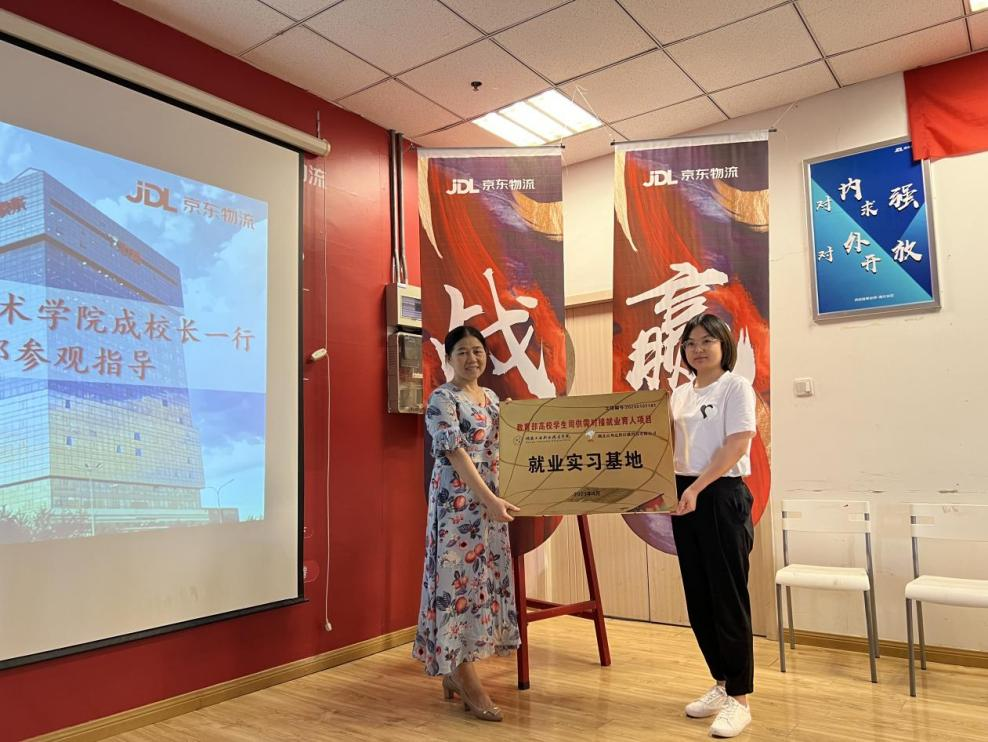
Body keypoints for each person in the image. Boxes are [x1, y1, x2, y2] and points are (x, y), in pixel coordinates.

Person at [412, 325, 521, 722]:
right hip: (458, 504)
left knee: (481, 581)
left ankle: (457, 672)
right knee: (455, 582)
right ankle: (463, 675)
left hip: (490, 501)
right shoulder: (442, 398)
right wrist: (489, 499)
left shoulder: (490, 397)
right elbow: (456, 453)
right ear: (449, 358)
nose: (471, 358)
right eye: (462, 352)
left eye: (477, 351)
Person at [669, 313, 758, 739]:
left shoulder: (735, 387)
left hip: (720, 494)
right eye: (691, 342)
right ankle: (721, 684)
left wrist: (697, 488)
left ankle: (740, 699)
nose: (699, 349)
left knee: (728, 598)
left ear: (724, 345)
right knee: (699, 598)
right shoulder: (679, 394)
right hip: (684, 494)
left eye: (707, 340)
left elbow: (736, 444)